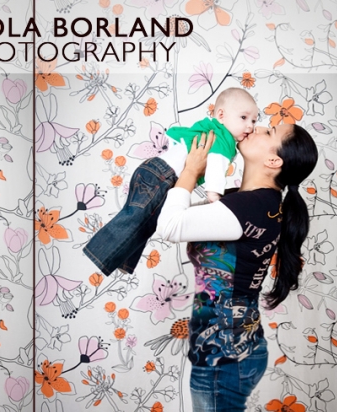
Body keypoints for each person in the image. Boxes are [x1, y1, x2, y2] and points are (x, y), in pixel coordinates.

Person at [154, 123, 318, 412]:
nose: (256, 126)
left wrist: (191, 170)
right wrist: (202, 165)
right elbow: (178, 211)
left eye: (269, 131)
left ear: (273, 160)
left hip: (224, 355)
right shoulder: (247, 202)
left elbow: (171, 225)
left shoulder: (249, 207)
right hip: (233, 349)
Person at [83, 88, 258, 276]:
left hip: (155, 171)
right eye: (243, 118)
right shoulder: (223, 138)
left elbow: (179, 138)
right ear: (221, 115)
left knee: (147, 220)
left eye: (254, 121)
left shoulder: (210, 128)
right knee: (137, 216)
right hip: (162, 176)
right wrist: (214, 194)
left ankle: (122, 261)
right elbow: (217, 162)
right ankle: (99, 253)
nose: (250, 126)